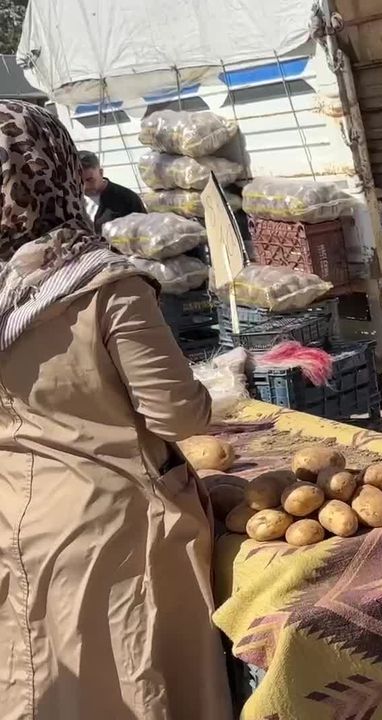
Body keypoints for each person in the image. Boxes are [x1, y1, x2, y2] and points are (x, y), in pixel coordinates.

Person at [0, 102, 232, 718]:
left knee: (45, 687)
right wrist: (210, 393)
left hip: (14, 520)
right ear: (55, 171)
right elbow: (178, 416)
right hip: (115, 531)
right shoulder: (102, 284)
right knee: (136, 687)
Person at [79, 150, 147, 232]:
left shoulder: (127, 199)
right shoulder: (71, 201)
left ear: (101, 173)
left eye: (89, 180)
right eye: (79, 181)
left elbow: (144, 230)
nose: (84, 186)